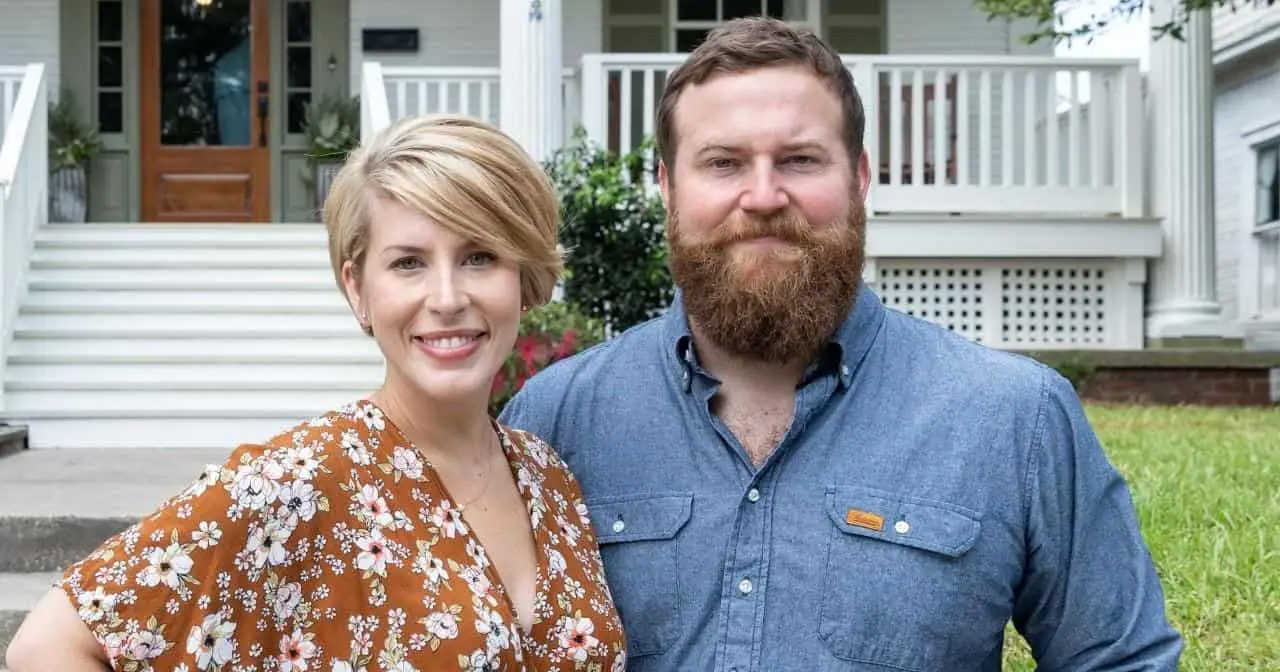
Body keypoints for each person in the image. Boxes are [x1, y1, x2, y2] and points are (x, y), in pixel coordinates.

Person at [499, 16, 1183, 672]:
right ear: (668, 189)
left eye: (799, 160)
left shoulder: (1016, 418)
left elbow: (1121, 660)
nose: (762, 195)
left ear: (858, 180)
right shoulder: (555, 422)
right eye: (723, 163)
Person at [5, 115, 627, 672]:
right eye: (408, 262)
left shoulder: (549, 478)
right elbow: (47, 648)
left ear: (524, 274)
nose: (446, 298)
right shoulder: (297, 482)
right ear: (357, 287)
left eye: (480, 256)